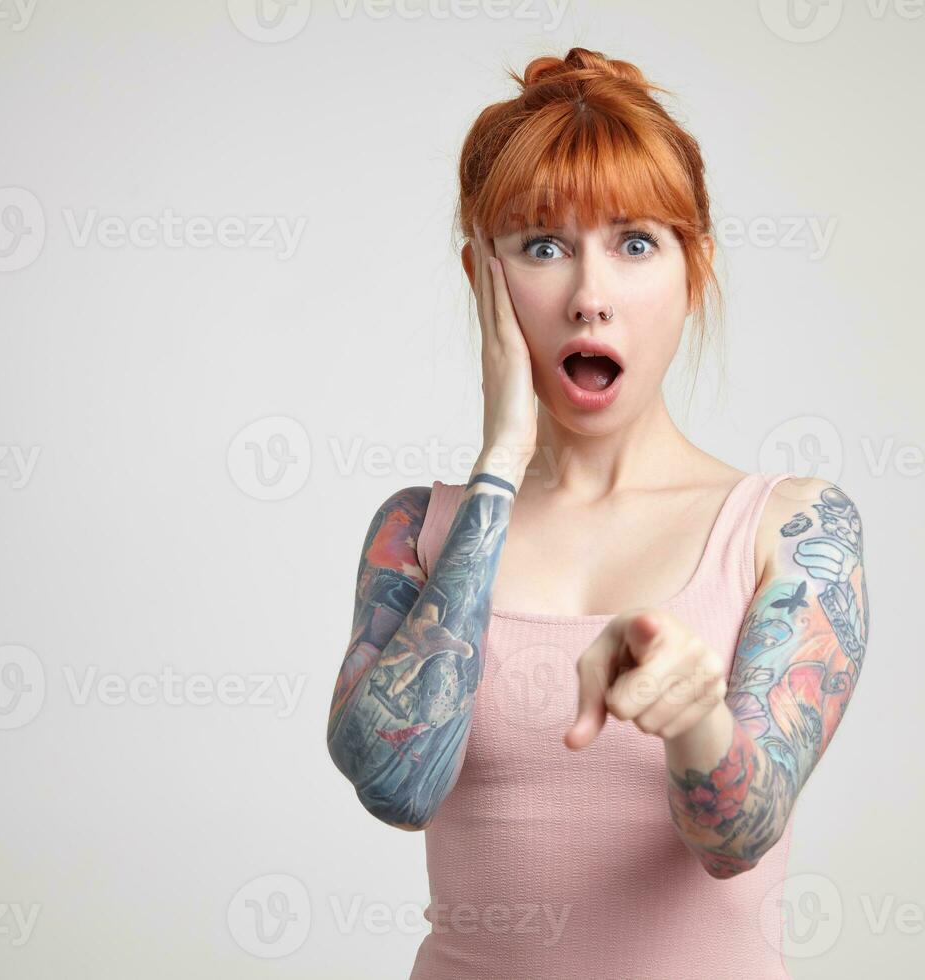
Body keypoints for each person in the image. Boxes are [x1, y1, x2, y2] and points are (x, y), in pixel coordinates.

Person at [326, 46, 870, 980]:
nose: (589, 296)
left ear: (692, 270)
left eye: (634, 242)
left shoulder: (791, 531)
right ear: (481, 277)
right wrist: (498, 467)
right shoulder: (417, 530)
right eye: (542, 246)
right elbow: (395, 784)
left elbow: (735, 834)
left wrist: (695, 712)